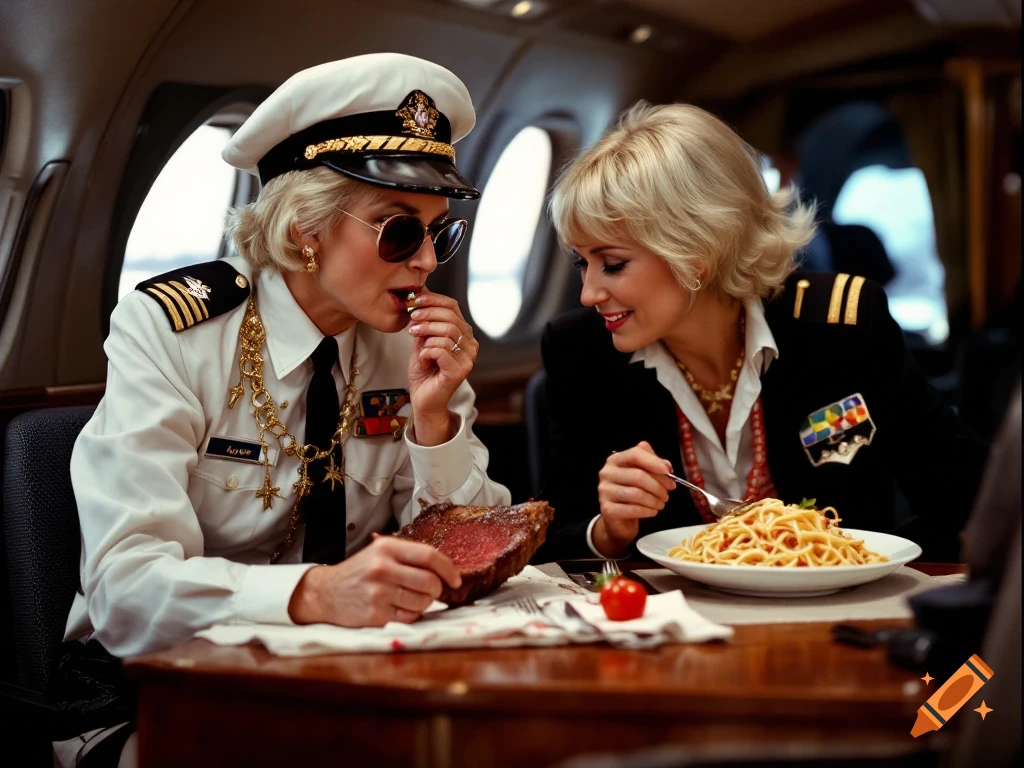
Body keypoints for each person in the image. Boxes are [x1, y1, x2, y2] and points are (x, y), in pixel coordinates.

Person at [55, 53, 509, 768]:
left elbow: (477, 554)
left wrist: (435, 425)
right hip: (151, 689)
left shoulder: (410, 347)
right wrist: (317, 593)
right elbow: (126, 591)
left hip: (336, 678)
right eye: (399, 232)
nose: (426, 261)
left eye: (439, 233)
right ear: (306, 228)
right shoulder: (172, 332)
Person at [537, 102, 986, 563]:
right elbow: (549, 537)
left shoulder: (842, 326)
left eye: (612, 264)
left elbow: (969, 495)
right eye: (581, 263)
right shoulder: (580, 350)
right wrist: (607, 529)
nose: (589, 293)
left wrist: (872, 564)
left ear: (696, 251)